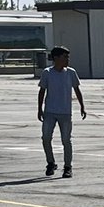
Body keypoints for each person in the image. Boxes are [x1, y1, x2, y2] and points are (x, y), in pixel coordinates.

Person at [37, 46, 86, 178]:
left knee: (66, 140)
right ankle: (51, 162)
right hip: (50, 112)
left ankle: (68, 167)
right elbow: (42, 91)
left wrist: (82, 106)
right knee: (46, 137)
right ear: (56, 58)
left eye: (68, 57)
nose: (67, 59)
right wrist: (39, 109)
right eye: (65, 57)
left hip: (65, 112)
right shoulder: (47, 73)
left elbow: (77, 89)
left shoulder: (71, 72)